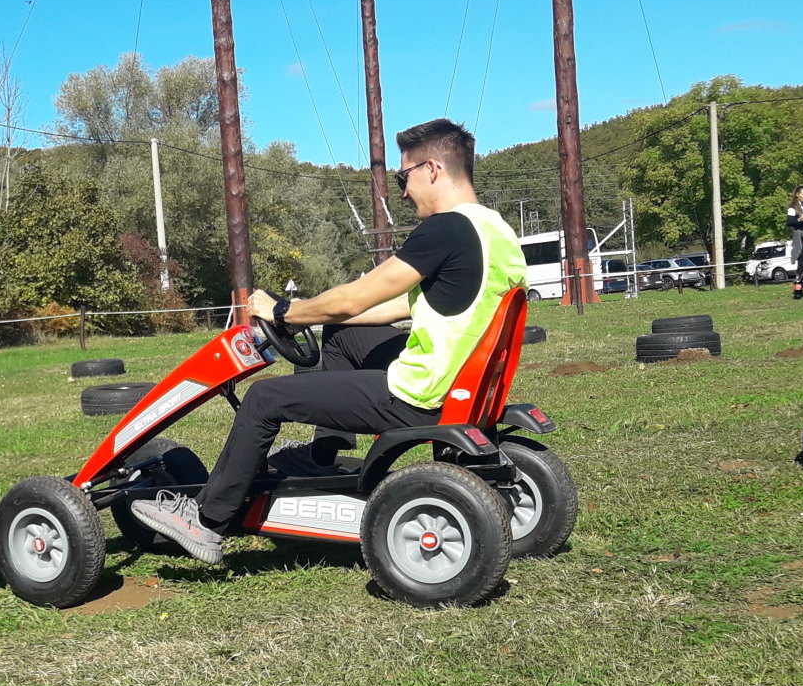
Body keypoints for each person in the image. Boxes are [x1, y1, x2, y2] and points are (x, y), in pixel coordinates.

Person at [129, 118, 526, 565]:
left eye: (404, 178)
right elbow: (393, 307)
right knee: (343, 332)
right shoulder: (494, 231)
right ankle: (321, 455)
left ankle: (206, 520)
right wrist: (310, 312)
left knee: (263, 398)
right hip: (467, 380)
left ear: (432, 170)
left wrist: (283, 312)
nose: (402, 192)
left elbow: (354, 297)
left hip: (422, 392)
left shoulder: (445, 229)